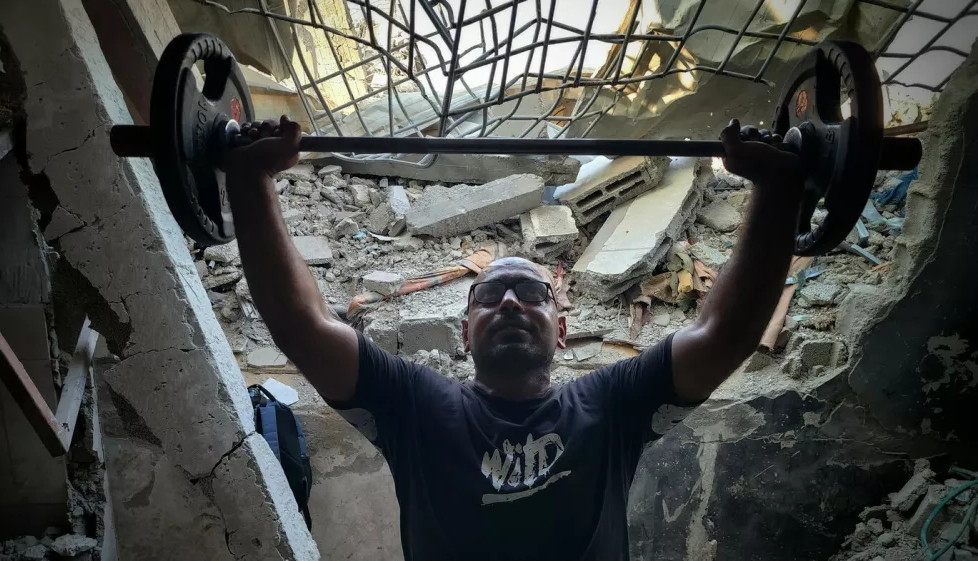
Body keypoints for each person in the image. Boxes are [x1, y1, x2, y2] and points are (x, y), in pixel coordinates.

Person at [225, 116, 803, 561]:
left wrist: (777, 187)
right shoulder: (415, 405)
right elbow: (304, 326)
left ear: (563, 329)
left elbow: (724, 331)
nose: (508, 300)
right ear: (465, 335)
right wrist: (251, 177)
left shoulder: (611, 403)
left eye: (531, 294)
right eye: (488, 296)